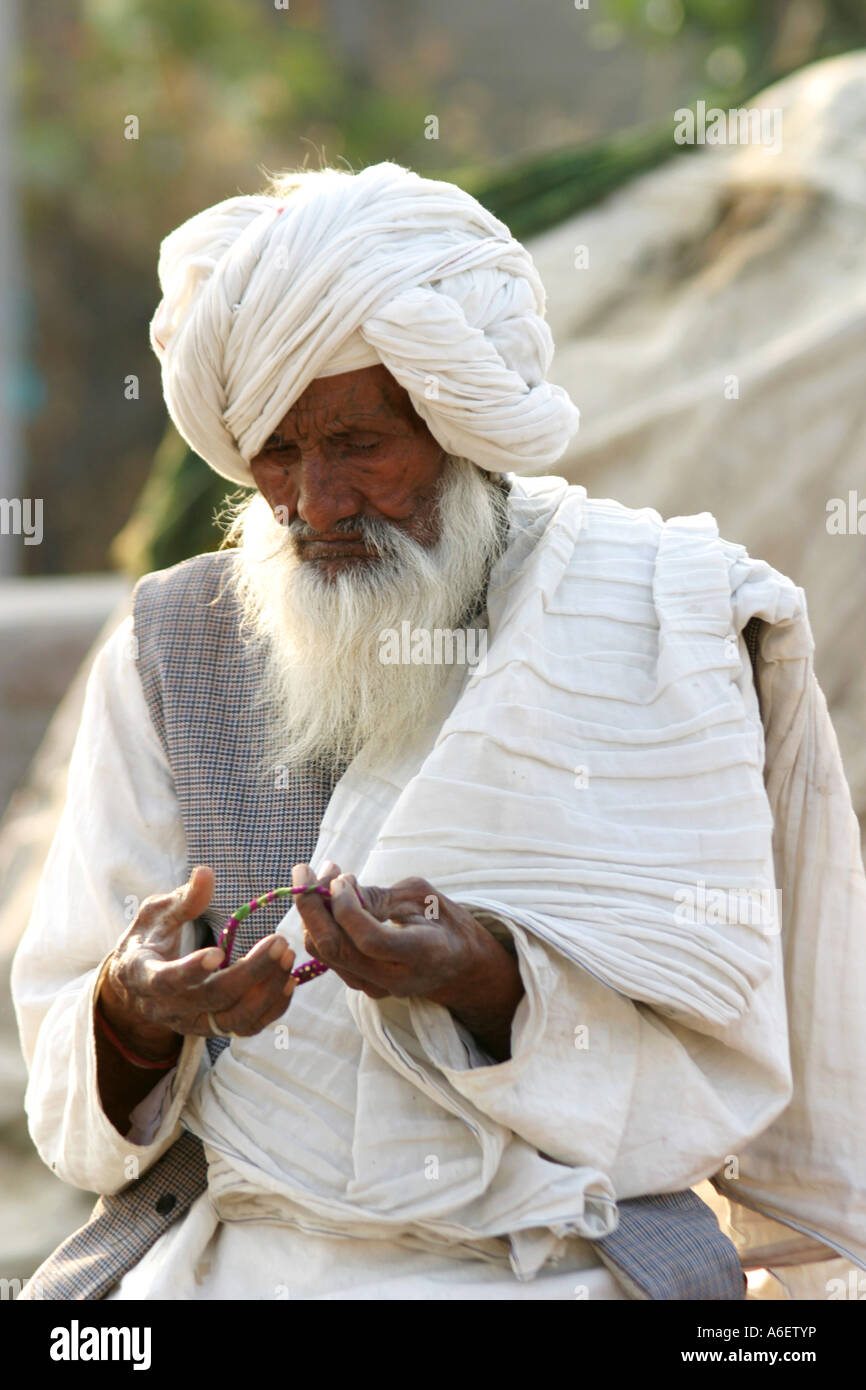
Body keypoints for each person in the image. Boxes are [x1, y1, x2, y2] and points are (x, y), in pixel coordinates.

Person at [12, 163, 866, 1301]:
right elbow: (66, 1078)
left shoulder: (657, 617)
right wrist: (133, 1010)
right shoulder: (172, 640)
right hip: (232, 1254)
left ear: (460, 426)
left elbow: (723, 1061)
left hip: (559, 1259)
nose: (313, 501)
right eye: (275, 449)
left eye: (358, 444)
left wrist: (488, 983)